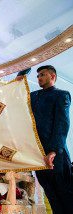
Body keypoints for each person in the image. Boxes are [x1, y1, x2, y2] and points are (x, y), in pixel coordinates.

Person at [17, 65, 73, 213]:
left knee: (66, 194)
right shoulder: (34, 96)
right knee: (52, 195)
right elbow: (17, 97)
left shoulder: (62, 95)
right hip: (38, 155)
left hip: (57, 155)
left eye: (42, 74)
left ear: (52, 76)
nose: (39, 78)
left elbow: (62, 124)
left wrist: (53, 151)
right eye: (37, 76)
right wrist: (21, 74)